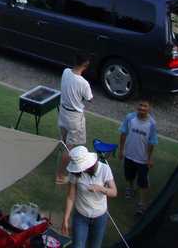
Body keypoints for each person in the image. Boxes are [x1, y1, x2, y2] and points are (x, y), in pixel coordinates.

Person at [62, 145, 117, 248]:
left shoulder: (104, 169)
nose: (81, 171)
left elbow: (114, 192)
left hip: (100, 217)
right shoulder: (76, 173)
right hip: (81, 217)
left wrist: (100, 188)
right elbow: (71, 196)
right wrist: (66, 218)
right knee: (77, 246)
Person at [56, 53, 93, 183]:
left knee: (64, 142)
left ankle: (66, 164)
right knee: (69, 148)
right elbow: (90, 99)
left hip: (63, 113)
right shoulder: (84, 83)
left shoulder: (66, 72)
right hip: (74, 118)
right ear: (86, 64)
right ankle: (61, 175)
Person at [118, 99, 158, 215]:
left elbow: (152, 142)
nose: (142, 108)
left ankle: (142, 203)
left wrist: (149, 158)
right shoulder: (130, 118)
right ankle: (130, 188)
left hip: (142, 159)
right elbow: (123, 133)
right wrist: (121, 150)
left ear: (149, 108)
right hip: (129, 155)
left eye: (145, 106)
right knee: (129, 176)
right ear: (137, 106)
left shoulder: (152, 124)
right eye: (140, 105)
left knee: (143, 182)